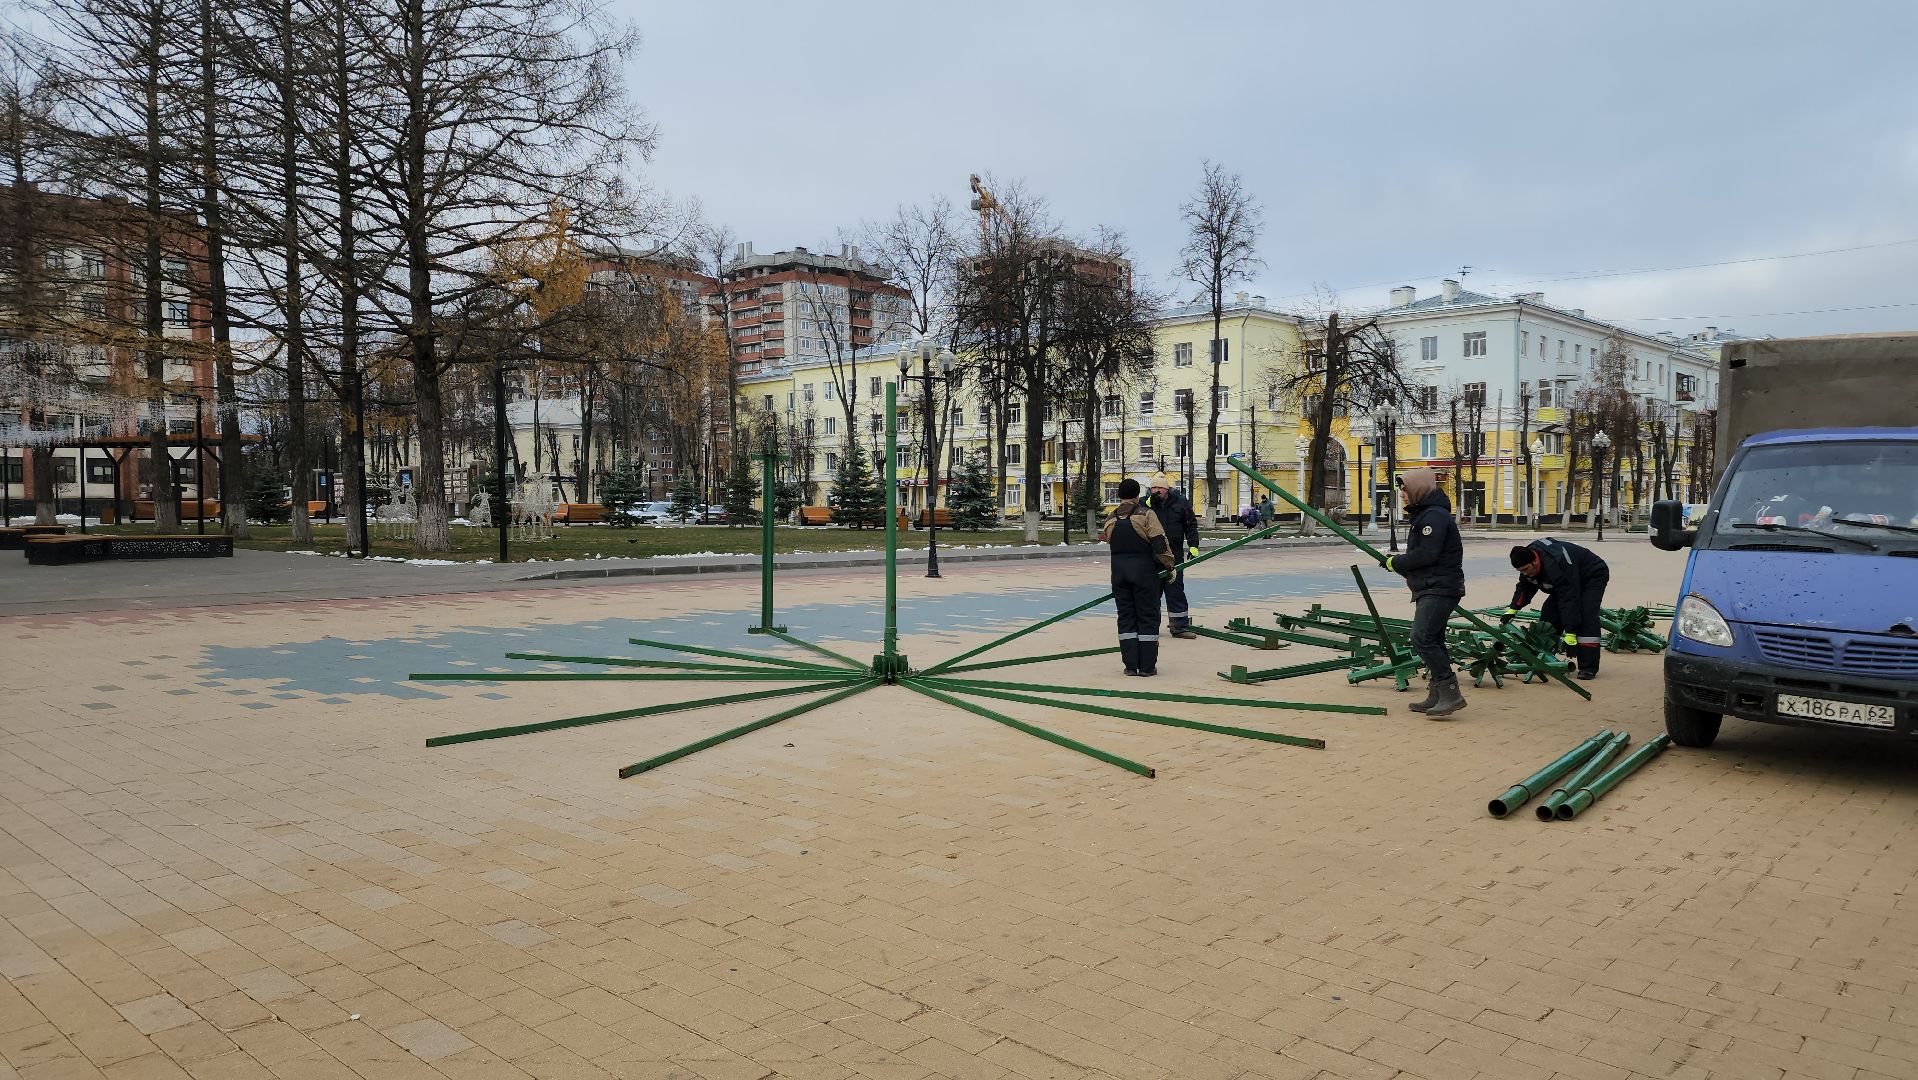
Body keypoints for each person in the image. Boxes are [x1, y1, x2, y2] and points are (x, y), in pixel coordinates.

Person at [1381, 468, 1466, 717]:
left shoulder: (1434, 517)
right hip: (1431, 585)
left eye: (1405, 490)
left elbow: (1427, 554)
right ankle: (1438, 693)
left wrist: (1396, 562)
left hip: (1440, 587)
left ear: (1417, 489)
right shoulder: (1427, 514)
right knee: (1434, 639)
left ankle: (1451, 694)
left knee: (1422, 637)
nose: (1402, 495)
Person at [1100, 478, 1177, 676]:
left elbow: (1111, 542)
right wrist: (1169, 565)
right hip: (1144, 574)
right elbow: (1159, 542)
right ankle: (1147, 667)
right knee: (1147, 617)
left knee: (1126, 618)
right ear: (1137, 495)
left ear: (1119, 495)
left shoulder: (1110, 518)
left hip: (1119, 575)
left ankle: (1130, 666)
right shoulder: (1146, 514)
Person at [1504, 538, 1611, 679]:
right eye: (1520, 571)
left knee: (1586, 616)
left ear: (1535, 562)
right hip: (1567, 580)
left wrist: (1570, 632)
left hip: (1591, 575)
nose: (1524, 573)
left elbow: (1569, 598)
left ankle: (1588, 668)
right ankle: (1546, 657)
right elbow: (1524, 587)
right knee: (1549, 615)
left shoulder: (1555, 564)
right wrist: (1513, 609)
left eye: (1525, 569)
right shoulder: (1527, 560)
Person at [1144, 472, 1200, 638]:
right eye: (1153, 487)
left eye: (1159, 487)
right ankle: (1150, 627)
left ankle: (1179, 627)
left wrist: (1193, 546)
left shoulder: (1180, 502)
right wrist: (1148, 503)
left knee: (1175, 591)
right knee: (1151, 594)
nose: (1156, 491)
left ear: (1166, 488)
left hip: (1174, 555)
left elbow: (1190, 525)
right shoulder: (1146, 503)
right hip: (1151, 556)